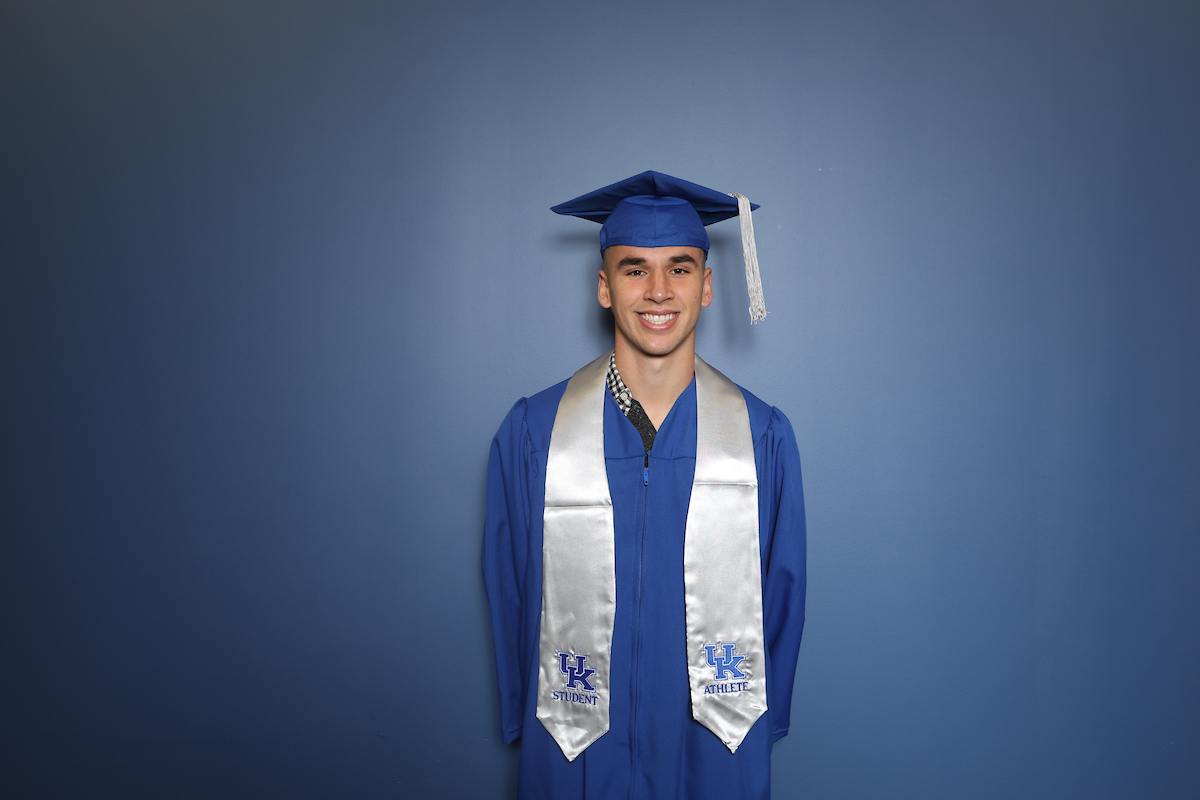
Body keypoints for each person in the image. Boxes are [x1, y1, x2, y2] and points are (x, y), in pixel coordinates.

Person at [483, 171, 806, 799]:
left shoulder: (760, 435)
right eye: (634, 270)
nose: (658, 291)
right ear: (604, 288)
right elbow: (510, 587)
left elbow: (783, 598)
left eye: (680, 269)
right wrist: (527, 709)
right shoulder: (534, 432)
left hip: (716, 747)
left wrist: (757, 725)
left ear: (708, 286)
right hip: (575, 743)